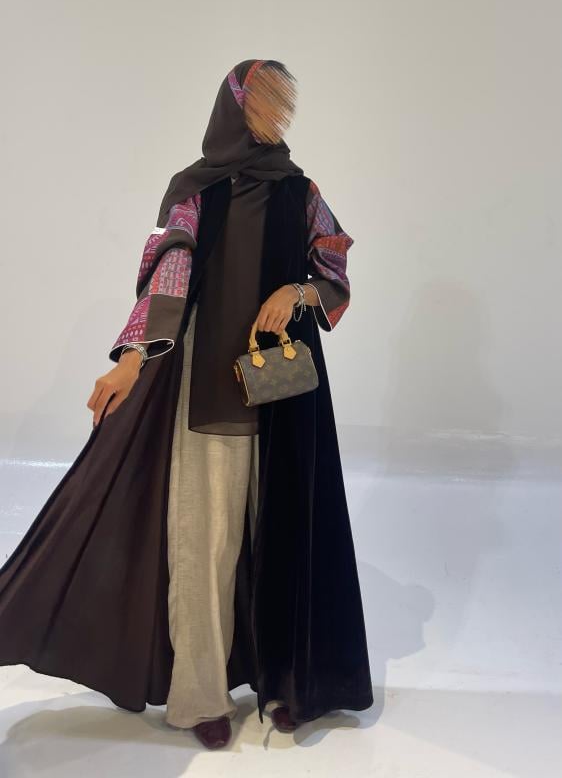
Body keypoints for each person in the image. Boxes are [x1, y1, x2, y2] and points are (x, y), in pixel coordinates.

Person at [0, 58, 373, 752]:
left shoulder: (302, 191)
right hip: (207, 386)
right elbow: (170, 270)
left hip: (285, 392)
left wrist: (296, 292)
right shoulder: (196, 189)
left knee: (288, 534)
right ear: (236, 108)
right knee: (204, 546)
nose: (275, 116)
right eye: (264, 102)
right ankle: (200, 695)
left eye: (281, 104)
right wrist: (132, 359)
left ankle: (288, 683)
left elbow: (334, 265)